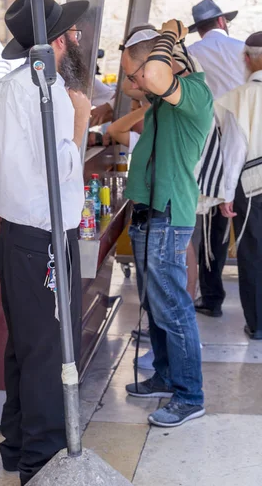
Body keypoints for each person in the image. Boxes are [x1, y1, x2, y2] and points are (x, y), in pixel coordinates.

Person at [0, 0, 90, 485]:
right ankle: (41, 461)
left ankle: (17, 443)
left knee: (25, 343)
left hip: (15, 235)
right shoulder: (48, 92)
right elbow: (56, 170)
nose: (78, 37)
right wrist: (83, 124)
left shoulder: (8, 86)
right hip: (44, 235)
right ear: (57, 41)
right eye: (73, 32)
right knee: (49, 347)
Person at [123, 22, 213, 427]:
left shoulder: (192, 92)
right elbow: (135, 86)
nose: (133, 83)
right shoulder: (161, 97)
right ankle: (164, 374)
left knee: (174, 309)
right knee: (155, 305)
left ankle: (189, 395)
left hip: (167, 218)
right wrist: (141, 60)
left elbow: (155, 74)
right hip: (148, 216)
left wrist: (168, 38)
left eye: (135, 73)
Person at [188, 0, 245, 318]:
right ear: (222, 21)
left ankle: (212, 297)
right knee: (250, 232)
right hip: (251, 147)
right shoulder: (242, 49)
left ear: (200, 29)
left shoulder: (193, 53)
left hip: (213, 149)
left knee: (213, 227)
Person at [215, 32, 262, 340]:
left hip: (252, 185)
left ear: (247, 59)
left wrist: (225, 193)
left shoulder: (241, 96)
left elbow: (234, 149)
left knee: (253, 253)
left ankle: (257, 324)